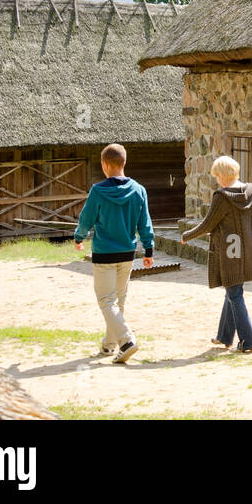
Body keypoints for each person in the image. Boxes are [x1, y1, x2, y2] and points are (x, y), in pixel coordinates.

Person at [73, 143, 155, 364]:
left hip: (104, 254)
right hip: (128, 252)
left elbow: (86, 219)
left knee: (107, 301)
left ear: (104, 165)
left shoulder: (98, 191)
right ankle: (109, 345)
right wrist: (148, 249)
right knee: (118, 300)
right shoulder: (139, 190)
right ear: (124, 163)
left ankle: (127, 340)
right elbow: (144, 223)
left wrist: (79, 237)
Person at [180, 155, 252, 353]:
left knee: (235, 294)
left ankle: (248, 342)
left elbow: (208, 223)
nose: (216, 179)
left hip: (229, 253)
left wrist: (187, 235)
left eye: (217, 175)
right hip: (247, 251)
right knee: (232, 291)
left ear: (223, 176)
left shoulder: (222, 197)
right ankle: (224, 336)